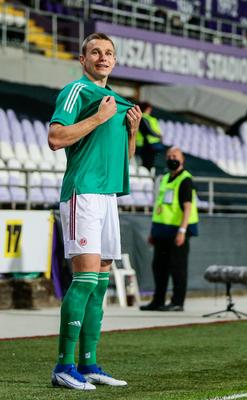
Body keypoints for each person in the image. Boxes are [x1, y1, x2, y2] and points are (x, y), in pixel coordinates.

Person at [48, 32, 142, 391]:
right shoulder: (77, 91)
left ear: (115, 61)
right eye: (95, 52)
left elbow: (123, 159)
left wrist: (131, 132)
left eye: (108, 53)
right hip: (82, 193)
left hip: (107, 198)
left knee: (100, 285)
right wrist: (99, 118)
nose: (102, 57)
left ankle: (89, 364)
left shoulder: (116, 102)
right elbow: (55, 138)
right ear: (83, 59)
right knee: (84, 280)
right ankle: (63, 366)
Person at [140, 146, 199, 312]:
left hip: (177, 231)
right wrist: (153, 231)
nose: (171, 158)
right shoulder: (164, 178)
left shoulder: (185, 179)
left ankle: (177, 302)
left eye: (175, 155)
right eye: (169, 155)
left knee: (178, 268)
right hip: (161, 231)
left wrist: (182, 231)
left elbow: (188, 207)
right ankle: (158, 300)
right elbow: (158, 206)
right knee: (159, 267)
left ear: (182, 159)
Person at [136, 102, 165, 171]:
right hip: (146, 144)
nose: (150, 110)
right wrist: (158, 136)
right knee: (146, 165)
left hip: (150, 145)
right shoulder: (143, 117)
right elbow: (148, 130)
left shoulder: (149, 118)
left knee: (149, 164)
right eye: (149, 108)